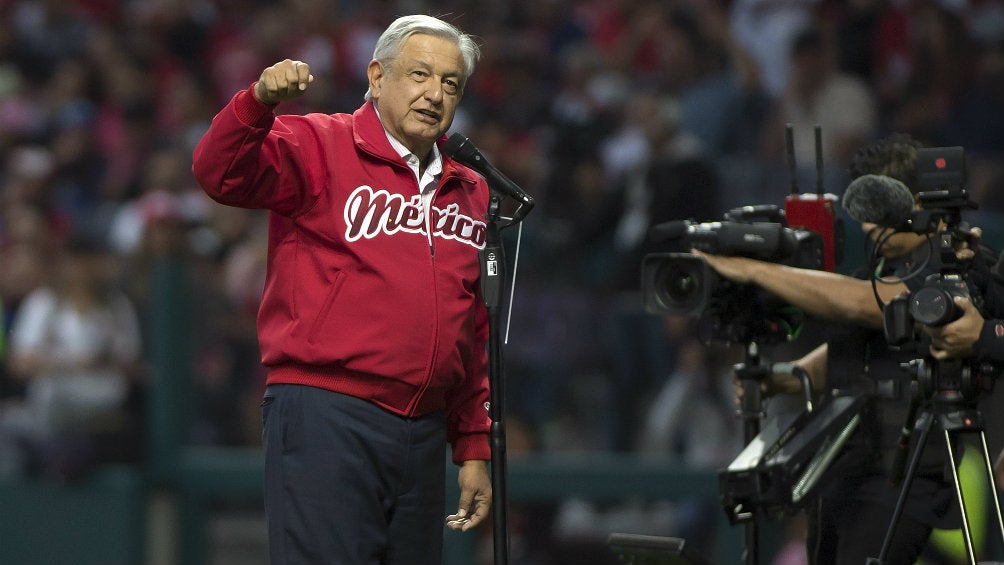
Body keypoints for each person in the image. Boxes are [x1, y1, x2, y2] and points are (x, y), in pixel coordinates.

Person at [191, 14, 493, 565]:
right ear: (376, 77)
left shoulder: (469, 187)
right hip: (327, 410)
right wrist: (256, 103)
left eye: (450, 83)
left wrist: (473, 443)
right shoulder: (318, 142)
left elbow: (471, 323)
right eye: (419, 74)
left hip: (423, 427)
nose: (434, 93)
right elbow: (218, 173)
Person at [695, 132, 962, 565]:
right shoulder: (878, 267)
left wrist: (753, 269)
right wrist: (778, 380)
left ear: (915, 201)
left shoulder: (948, 267)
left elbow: (865, 304)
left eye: (877, 205)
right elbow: (847, 353)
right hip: (840, 465)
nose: (866, 223)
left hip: (901, 475)